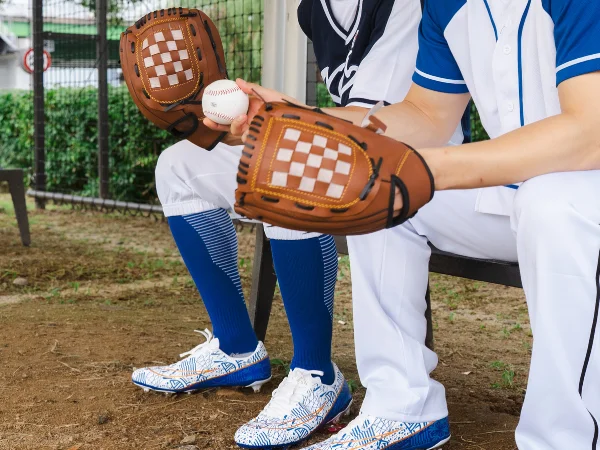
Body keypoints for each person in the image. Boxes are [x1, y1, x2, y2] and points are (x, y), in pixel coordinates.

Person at [208, 0, 600, 448]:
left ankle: (565, 439)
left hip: (580, 194)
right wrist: (302, 120)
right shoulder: (446, 5)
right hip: (519, 194)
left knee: (552, 203)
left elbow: (590, 133)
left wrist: (429, 170)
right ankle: (401, 406)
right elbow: (428, 116)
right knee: (378, 189)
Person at [132, 0, 462, 448]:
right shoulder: (314, 11)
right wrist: (200, 122)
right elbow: (339, 122)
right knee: (179, 166)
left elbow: (400, 127)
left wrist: (293, 125)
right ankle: (236, 347)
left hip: (412, 164)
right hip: (346, 149)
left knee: (285, 165)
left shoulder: (407, 7)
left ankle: (316, 374)